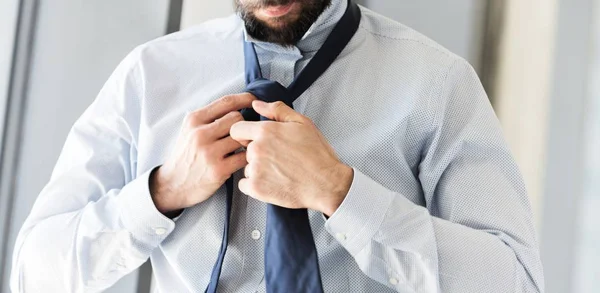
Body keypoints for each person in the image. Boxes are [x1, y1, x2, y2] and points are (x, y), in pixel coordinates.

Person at [11, 0, 544, 292]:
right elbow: (36, 273)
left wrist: (340, 192)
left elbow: (514, 282)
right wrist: (160, 192)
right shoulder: (150, 76)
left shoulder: (436, 84)